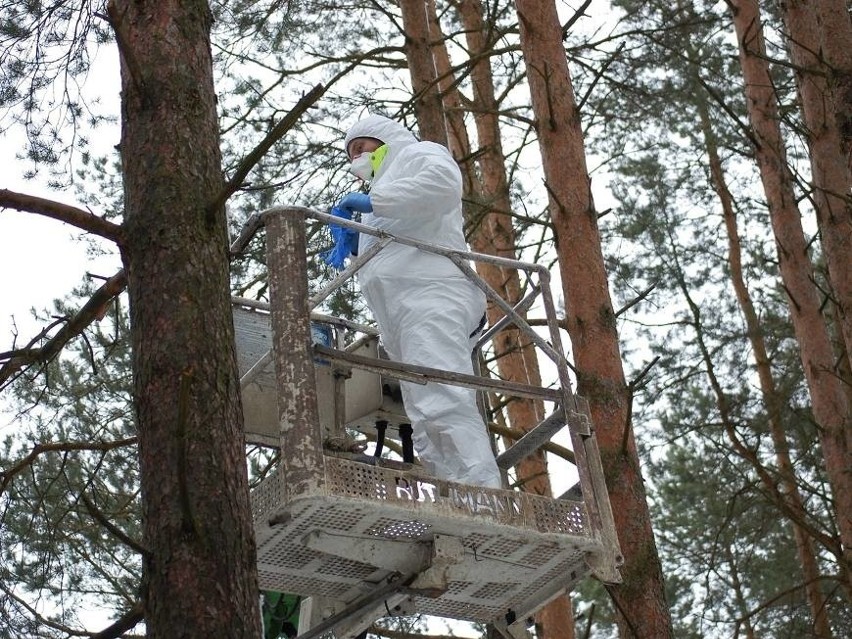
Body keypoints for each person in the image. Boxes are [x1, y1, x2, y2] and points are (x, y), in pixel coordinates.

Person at [326, 113, 502, 489]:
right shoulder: (380, 193)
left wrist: (375, 202)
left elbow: (441, 186)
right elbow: (392, 250)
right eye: (350, 154)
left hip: (433, 294)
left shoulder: (416, 155)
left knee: (444, 398)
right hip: (403, 315)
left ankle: (486, 494)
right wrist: (354, 241)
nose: (356, 158)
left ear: (384, 138)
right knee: (423, 414)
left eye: (361, 147)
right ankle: (456, 496)